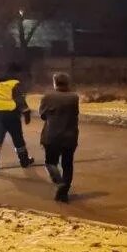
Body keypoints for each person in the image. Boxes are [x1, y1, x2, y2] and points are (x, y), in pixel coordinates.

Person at [0, 64, 34, 173]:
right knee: (17, 138)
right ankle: (24, 161)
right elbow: (20, 100)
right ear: (16, 73)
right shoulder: (14, 84)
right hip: (12, 114)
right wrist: (26, 113)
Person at [39, 72, 80, 202]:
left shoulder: (47, 97)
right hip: (70, 136)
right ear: (68, 83)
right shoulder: (74, 97)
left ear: (54, 82)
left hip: (52, 136)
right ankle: (64, 192)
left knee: (50, 163)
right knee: (67, 164)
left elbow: (43, 115)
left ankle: (59, 181)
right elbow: (75, 114)